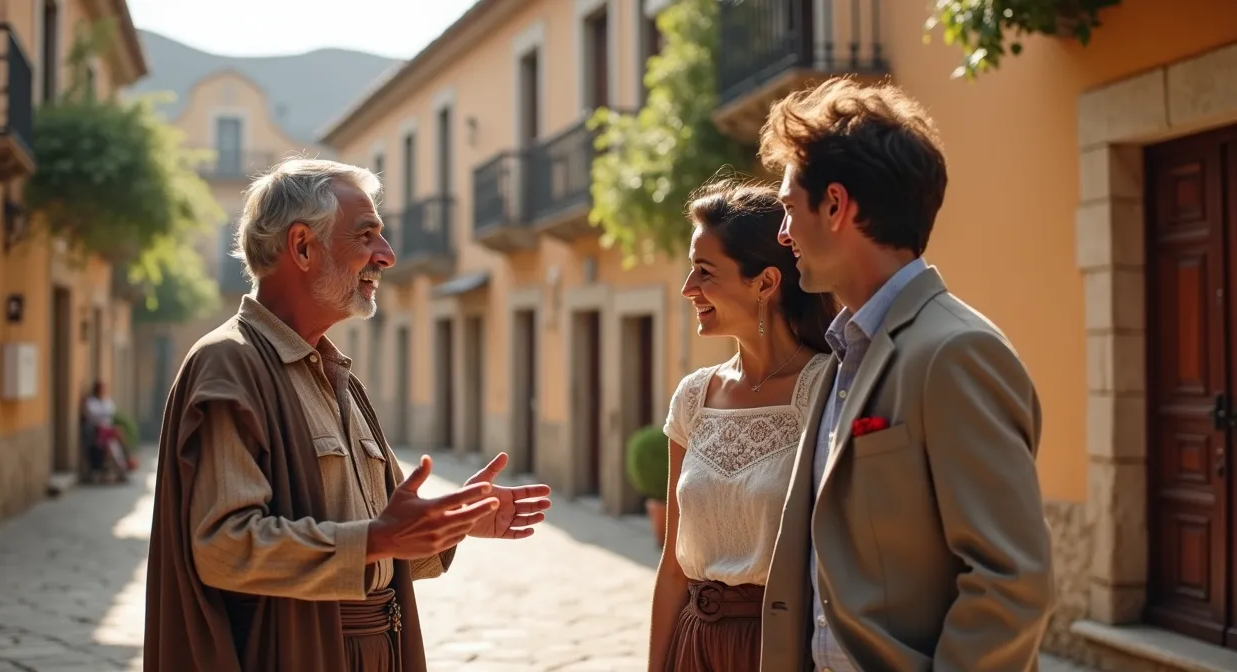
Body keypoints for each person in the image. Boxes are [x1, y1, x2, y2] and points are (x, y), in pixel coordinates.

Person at [143, 158, 552, 672]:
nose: (387, 255)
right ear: (302, 246)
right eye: (366, 236)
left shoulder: (336, 374)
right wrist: (379, 538)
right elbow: (225, 547)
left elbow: (382, 542)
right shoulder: (230, 363)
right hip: (295, 653)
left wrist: (449, 522)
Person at [759, 78, 1054, 671]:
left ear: (837, 205)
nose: (782, 233)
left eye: (790, 209)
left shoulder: (956, 351)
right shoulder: (841, 353)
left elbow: (1011, 581)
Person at [648, 178, 837, 671]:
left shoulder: (827, 389)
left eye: (704, 272)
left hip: (781, 648)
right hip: (694, 647)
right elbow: (672, 566)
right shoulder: (693, 398)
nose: (689, 289)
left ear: (766, 283)